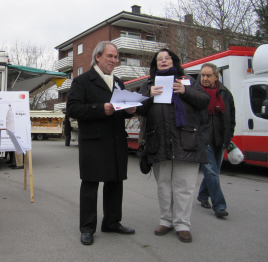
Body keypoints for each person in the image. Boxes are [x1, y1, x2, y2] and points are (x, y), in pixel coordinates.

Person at [66, 41, 136, 246]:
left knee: (115, 183)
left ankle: (112, 222)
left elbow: (120, 109)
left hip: (115, 140)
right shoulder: (82, 81)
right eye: (110, 56)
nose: (114, 60)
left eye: (116, 57)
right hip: (94, 142)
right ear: (98, 57)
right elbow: (72, 109)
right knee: (90, 185)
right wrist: (100, 109)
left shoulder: (119, 82)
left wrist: (130, 110)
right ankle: (87, 228)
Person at [137, 48, 209, 243]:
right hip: (159, 141)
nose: (163, 61)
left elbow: (204, 101)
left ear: (174, 61)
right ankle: (166, 220)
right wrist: (148, 96)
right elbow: (138, 110)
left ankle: (183, 224)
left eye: (167, 58)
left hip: (186, 141)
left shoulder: (188, 80)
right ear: (155, 64)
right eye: (159, 59)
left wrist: (185, 91)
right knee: (164, 185)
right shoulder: (148, 84)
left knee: (184, 186)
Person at [197, 63, 235, 218]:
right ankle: (219, 206)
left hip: (220, 139)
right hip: (203, 139)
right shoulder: (197, 93)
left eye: (208, 75)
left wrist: (229, 136)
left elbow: (231, 117)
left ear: (216, 76)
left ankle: (202, 195)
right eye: (202, 75)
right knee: (211, 171)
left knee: (214, 172)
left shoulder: (225, 94)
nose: (204, 79)